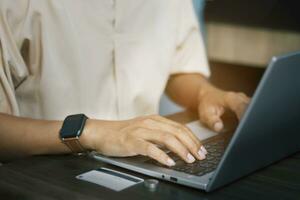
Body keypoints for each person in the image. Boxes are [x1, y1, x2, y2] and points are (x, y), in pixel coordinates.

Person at [0, 0, 250, 166]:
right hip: (47, 171)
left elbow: (177, 69)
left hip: (144, 163)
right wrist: (91, 132)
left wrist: (204, 93)